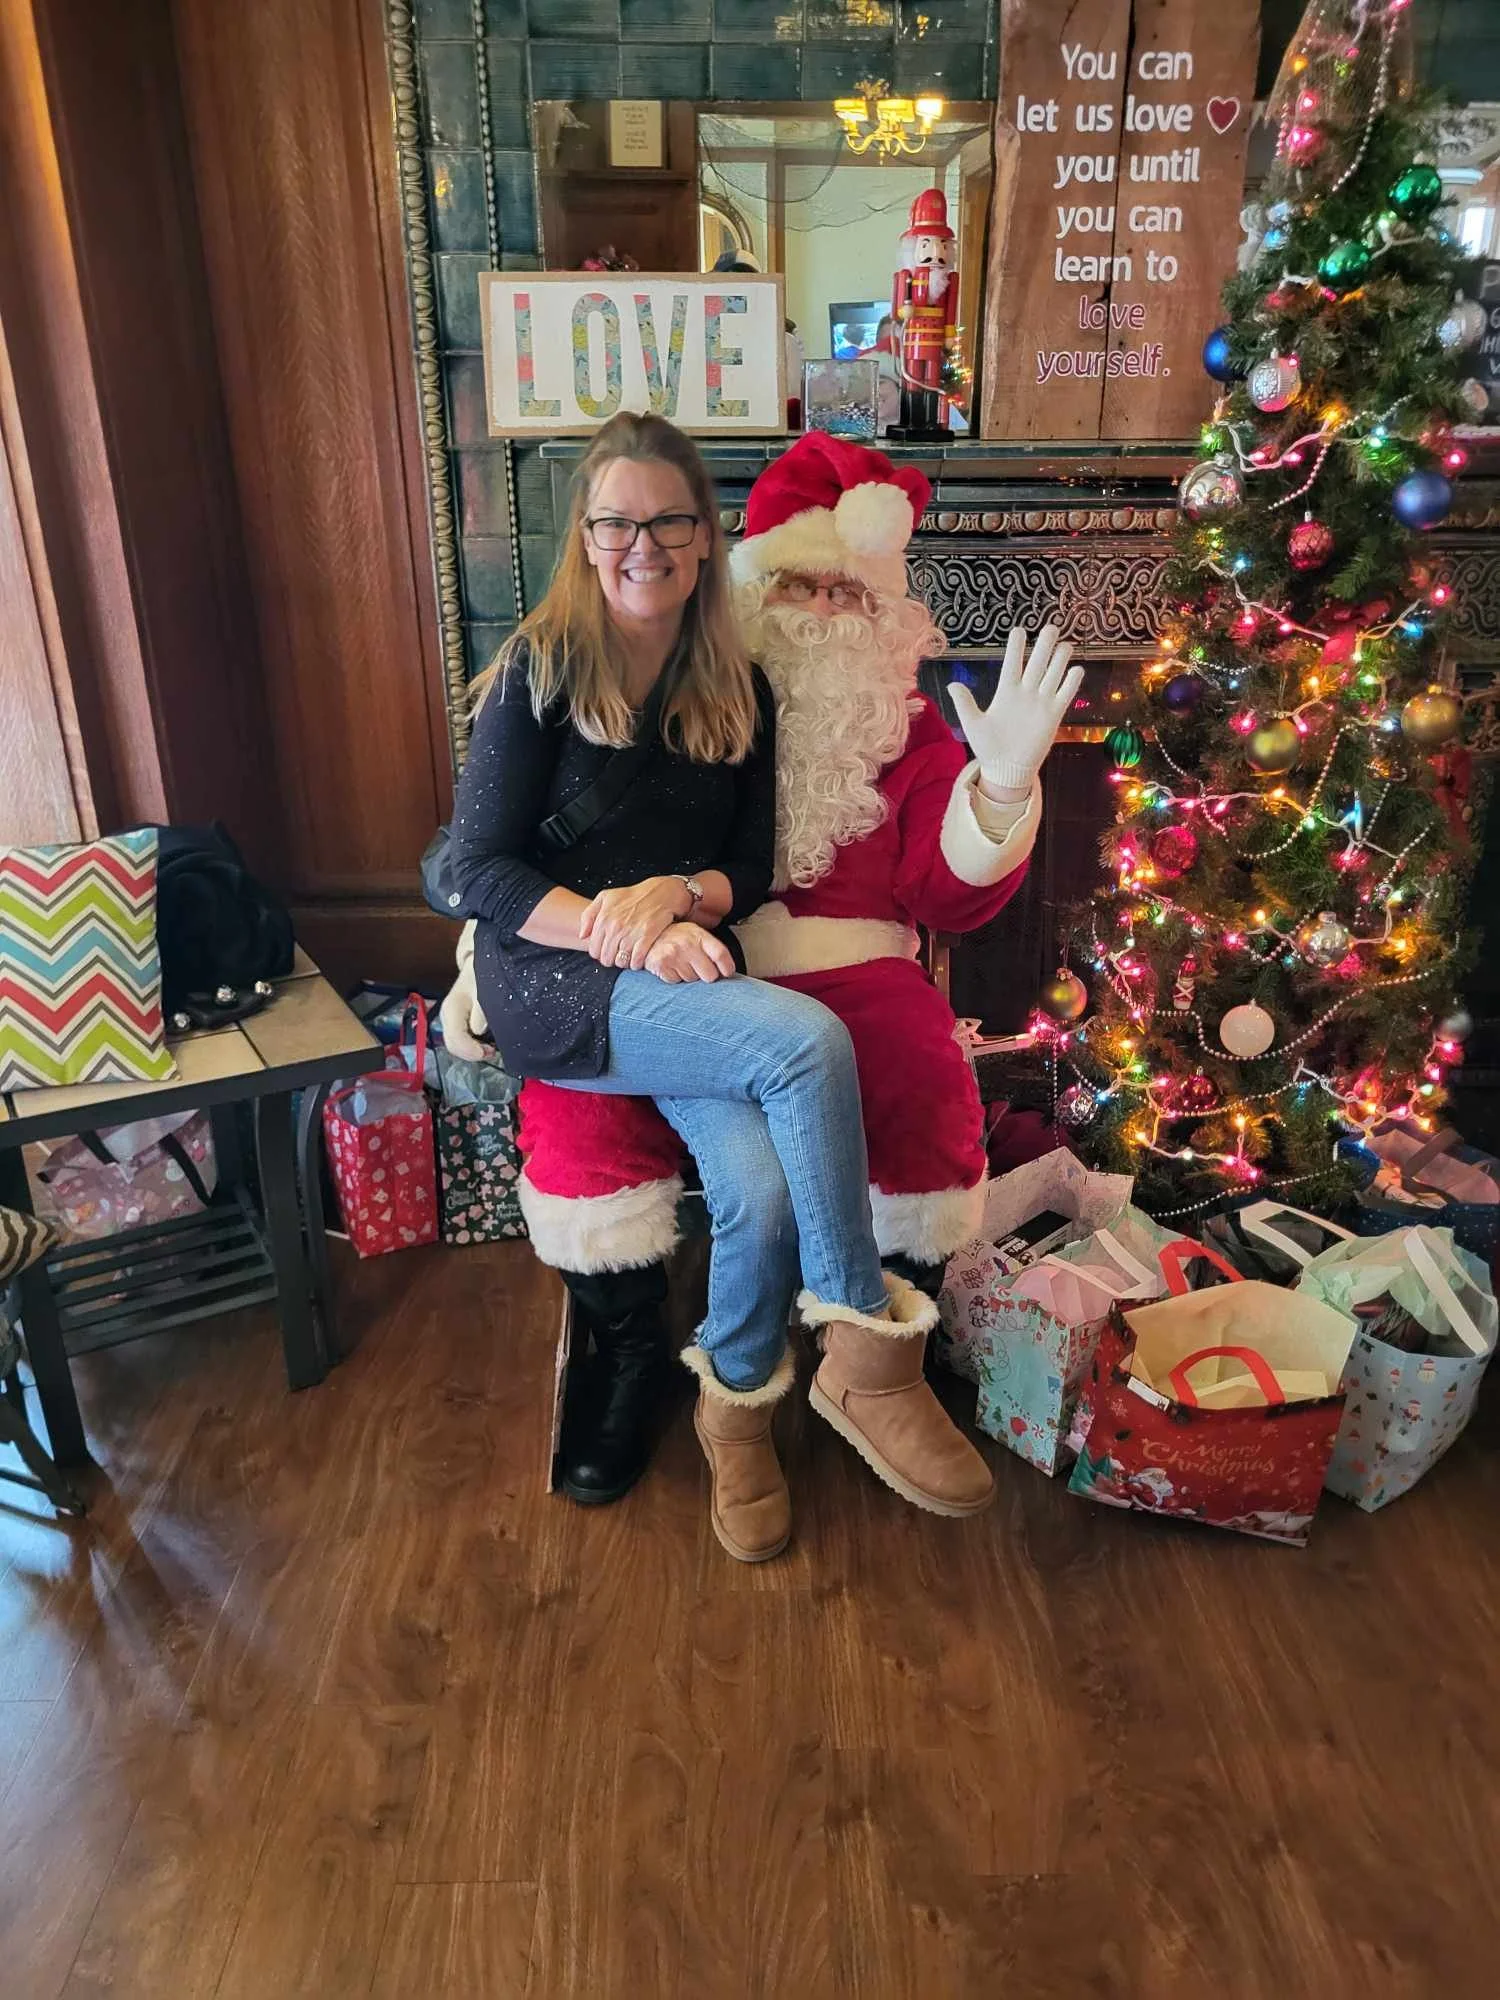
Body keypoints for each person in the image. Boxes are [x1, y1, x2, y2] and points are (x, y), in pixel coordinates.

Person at [444, 432, 1082, 1532]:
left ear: (702, 541)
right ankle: (812, 1349)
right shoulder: (547, 669)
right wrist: (590, 933)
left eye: (849, 591)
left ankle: (732, 1406)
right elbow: (473, 862)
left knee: (769, 1179)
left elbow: (752, 867)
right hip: (586, 982)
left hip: (707, 975)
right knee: (793, 1048)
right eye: (799, 585)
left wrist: (1002, 786)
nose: (824, 609)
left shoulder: (731, 692)